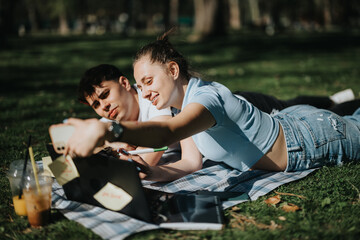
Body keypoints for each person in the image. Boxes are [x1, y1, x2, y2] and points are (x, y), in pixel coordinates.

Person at [62, 31, 360, 182]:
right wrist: (156, 174)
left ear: (173, 71)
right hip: (288, 120)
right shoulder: (181, 107)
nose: (145, 91)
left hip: (308, 139)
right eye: (141, 84)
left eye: (149, 80)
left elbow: (167, 132)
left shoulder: (203, 100)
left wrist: (108, 130)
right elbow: (191, 163)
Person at [78, 64, 356, 167]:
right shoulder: (111, 118)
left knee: (296, 107)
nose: (104, 108)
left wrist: (112, 141)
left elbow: (154, 147)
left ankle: (336, 100)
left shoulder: (156, 97)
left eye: (105, 95)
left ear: (126, 85)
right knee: (303, 113)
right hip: (220, 120)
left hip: (248, 107)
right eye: (96, 106)